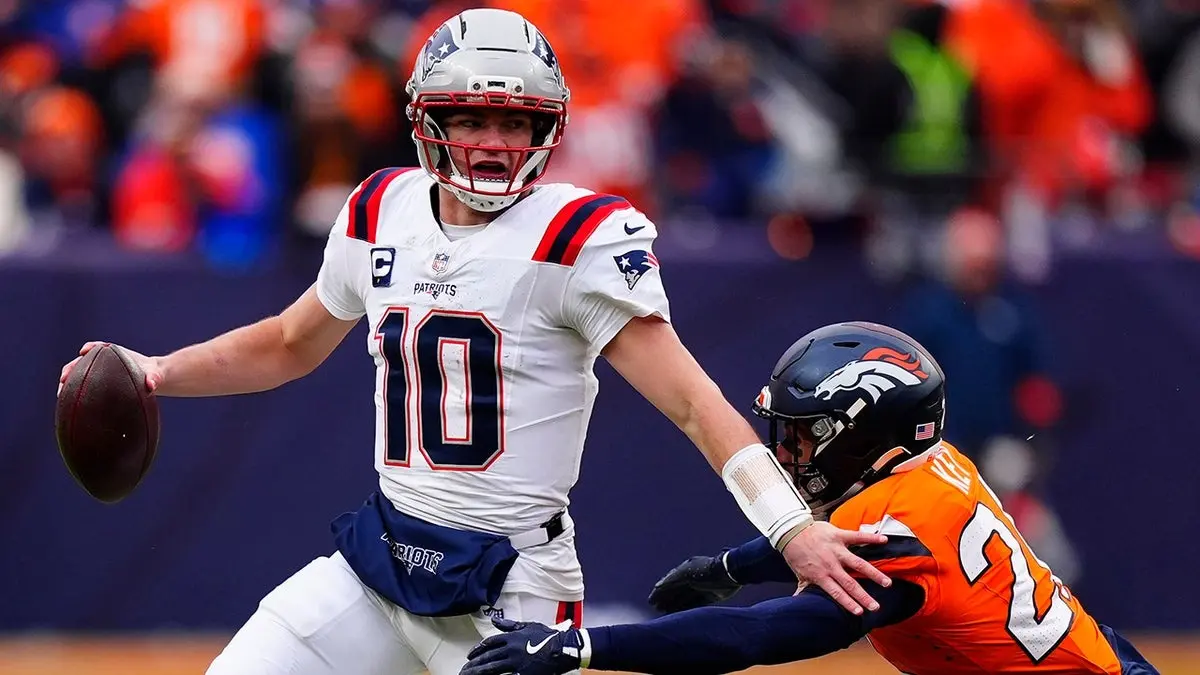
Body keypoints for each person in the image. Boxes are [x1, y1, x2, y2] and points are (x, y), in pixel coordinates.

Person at [58, 10, 890, 675]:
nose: (494, 141)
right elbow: (287, 342)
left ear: (546, 129)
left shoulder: (576, 237)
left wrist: (792, 529)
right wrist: (156, 370)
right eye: (472, 117)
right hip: (381, 565)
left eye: (514, 122)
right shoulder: (380, 208)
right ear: (429, 119)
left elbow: (695, 405)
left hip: (510, 593)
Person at [460, 321, 1159, 675]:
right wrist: (732, 566)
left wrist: (584, 646)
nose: (788, 453)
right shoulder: (928, 468)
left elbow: (760, 636)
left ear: (866, 433)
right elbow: (843, 542)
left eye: (805, 434)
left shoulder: (906, 528)